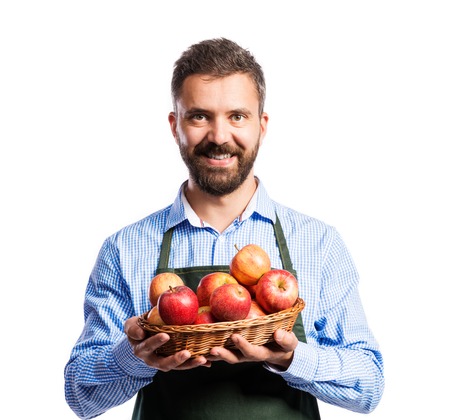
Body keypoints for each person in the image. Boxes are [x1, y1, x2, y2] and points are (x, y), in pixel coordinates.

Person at [64, 38, 384, 419]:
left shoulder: (317, 243)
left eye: (237, 116)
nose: (219, 136)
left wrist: (291, 359)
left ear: (261, 126)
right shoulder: (127, 248)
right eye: (199, 116)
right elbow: (79, 395)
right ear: (175, 125)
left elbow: (369, 386)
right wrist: (134, 359)